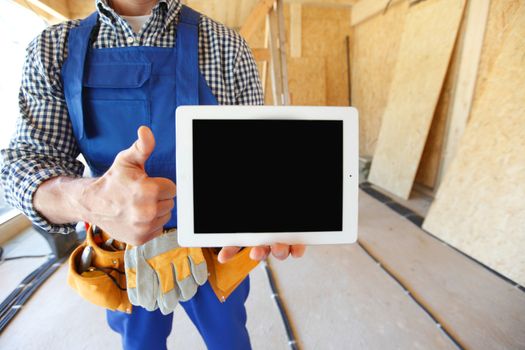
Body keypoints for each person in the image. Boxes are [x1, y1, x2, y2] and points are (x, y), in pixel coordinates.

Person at [0, 0, 305, 349]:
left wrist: (276, 207)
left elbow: (255, 158)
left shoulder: (226, 46)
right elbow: (25, 164)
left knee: (229, 339)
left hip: (217, 244)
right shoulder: (54, 50)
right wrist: (89, 199)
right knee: (140, 344)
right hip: (123, 250)